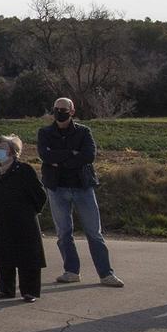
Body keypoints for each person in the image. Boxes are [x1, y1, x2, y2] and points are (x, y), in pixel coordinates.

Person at [35, 97, 125, 288]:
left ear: (72, 111)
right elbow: (45, 155)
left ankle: (106, 274)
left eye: (63, 109)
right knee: (63, 233)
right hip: (57, 188)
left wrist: (59, 159)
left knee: (94, 232)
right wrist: (72, 154)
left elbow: (89, 156)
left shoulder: (84, 132)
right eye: (56, 108)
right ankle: (71, 271)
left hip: (82, 187)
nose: (59, 112)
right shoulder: (45, 132)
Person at [0, 136, 48, 300]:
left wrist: (29, 212)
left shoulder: (24, 170)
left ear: (13, 152)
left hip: (23, 222)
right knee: (3, 256)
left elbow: (39, 195)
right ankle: (6, 289)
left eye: (2, 148)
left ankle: (30, 291)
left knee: (27, 257)